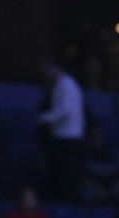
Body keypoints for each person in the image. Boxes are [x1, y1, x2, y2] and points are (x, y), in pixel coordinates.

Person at [36, 56, 84, 203]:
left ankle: (66, 208)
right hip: (61, 138)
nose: (43, 73)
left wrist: (44, 118)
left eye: (45, 70)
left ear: (53, 67)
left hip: (68, 139)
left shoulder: (66, 84)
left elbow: (65, 110)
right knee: (58, 175)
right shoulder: (58, 85)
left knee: (66, 176)